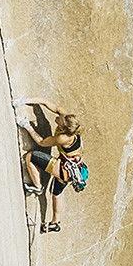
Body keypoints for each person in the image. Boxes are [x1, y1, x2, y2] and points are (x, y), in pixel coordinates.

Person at [16, 97, 85, 233]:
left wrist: (26, 125)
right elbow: (47, 102)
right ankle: (55, 223)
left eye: (59, 120)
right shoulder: (67, 121)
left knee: (30, 157)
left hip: (64, 168)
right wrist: (24, 100)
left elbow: (42, 142)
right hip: (73, 167)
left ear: (63, 128)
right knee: (56, 194)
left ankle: (37, 187)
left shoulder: (63, 138)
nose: (58, 118)